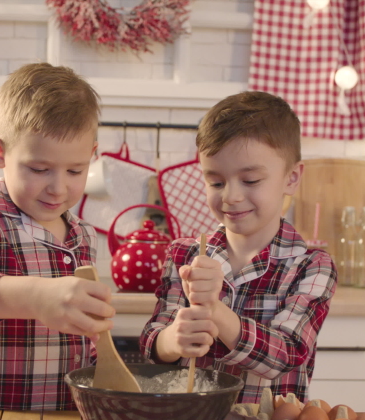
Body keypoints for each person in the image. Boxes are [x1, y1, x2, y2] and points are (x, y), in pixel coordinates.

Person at [0, 63, 115, 411]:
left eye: (75, 170)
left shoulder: (83, 235)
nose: (58, 187)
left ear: (92, 154)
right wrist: (35, 297)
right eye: (39, 169)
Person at [140, 91, 337, 403]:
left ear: (291, 177)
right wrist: (171, 341)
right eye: (216, 183)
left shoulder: (311, 265)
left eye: (250, 181)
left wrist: (216, 312)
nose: (230, 196)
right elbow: (153, 345)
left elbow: (285, 355)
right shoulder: (184, 253)